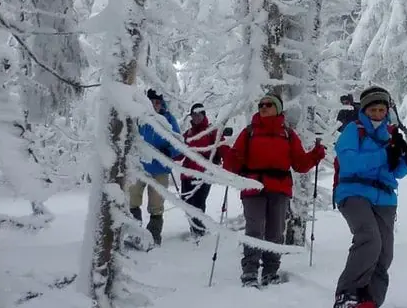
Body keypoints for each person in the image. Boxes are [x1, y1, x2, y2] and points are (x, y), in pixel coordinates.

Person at [330, 86, 407, 308]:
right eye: (374, 109)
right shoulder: (354, 131)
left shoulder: (392, 134)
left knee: (384, 252)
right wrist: (385, 155)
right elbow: (349, 162)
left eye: (382, 109)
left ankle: (368, 302)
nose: (378, 113)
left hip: (385, 198)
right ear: (365, 109)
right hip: (353, 192)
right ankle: (346, 297)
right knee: (369, 238)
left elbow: (396, 171)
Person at [222, 94, 326, 287]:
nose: (263, 107)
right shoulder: (249, 132)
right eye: (261, 104)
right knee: (254, 229)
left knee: (275, 232)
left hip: (279, 188)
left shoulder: (287, 134)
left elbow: (300, 164)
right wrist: (227, 155)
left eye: (269, 105)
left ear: (278, 109)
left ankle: (271, 271)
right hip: (253, 186)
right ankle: (250, 272)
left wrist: (315, 155)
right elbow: (235, 163)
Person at [131, 89, 180, 248]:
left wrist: (169, 151)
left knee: (156, 205)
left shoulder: (168, 119)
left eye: (158, 102)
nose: (155, 105)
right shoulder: (138, 116)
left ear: (162, 104)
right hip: (139, 167)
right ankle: (133, 234)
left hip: (160, 168)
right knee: (132, 199)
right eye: (152, 101)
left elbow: (179, 142)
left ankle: (153, 237)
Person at [178, 103, 231, 240]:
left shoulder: (212, 131)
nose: (196, 117)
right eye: (193, 115)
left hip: (204, 174)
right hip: (187, 174)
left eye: (198, 115)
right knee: (187, 202)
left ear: (204, 115)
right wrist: (167, 154)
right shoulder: (188, 133)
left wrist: (230, 162)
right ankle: (195, 228)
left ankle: (199, 231)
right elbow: (179, 151)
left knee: (199, 203)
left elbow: (223, 148)